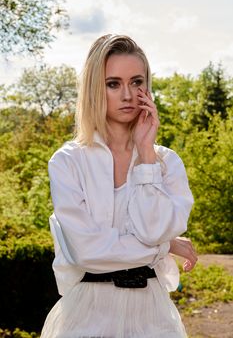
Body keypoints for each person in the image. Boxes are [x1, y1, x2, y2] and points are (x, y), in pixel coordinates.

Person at [40, 34, 197, 338]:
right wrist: (165, 246)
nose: (127, 94)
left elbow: (153, 228)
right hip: (86, 317)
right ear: (94, 89)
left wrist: (146, 155)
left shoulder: (166, 163)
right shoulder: (68, 162)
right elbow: (87, 252)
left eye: (136, 82)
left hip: (153, 318)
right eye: (113, 83)